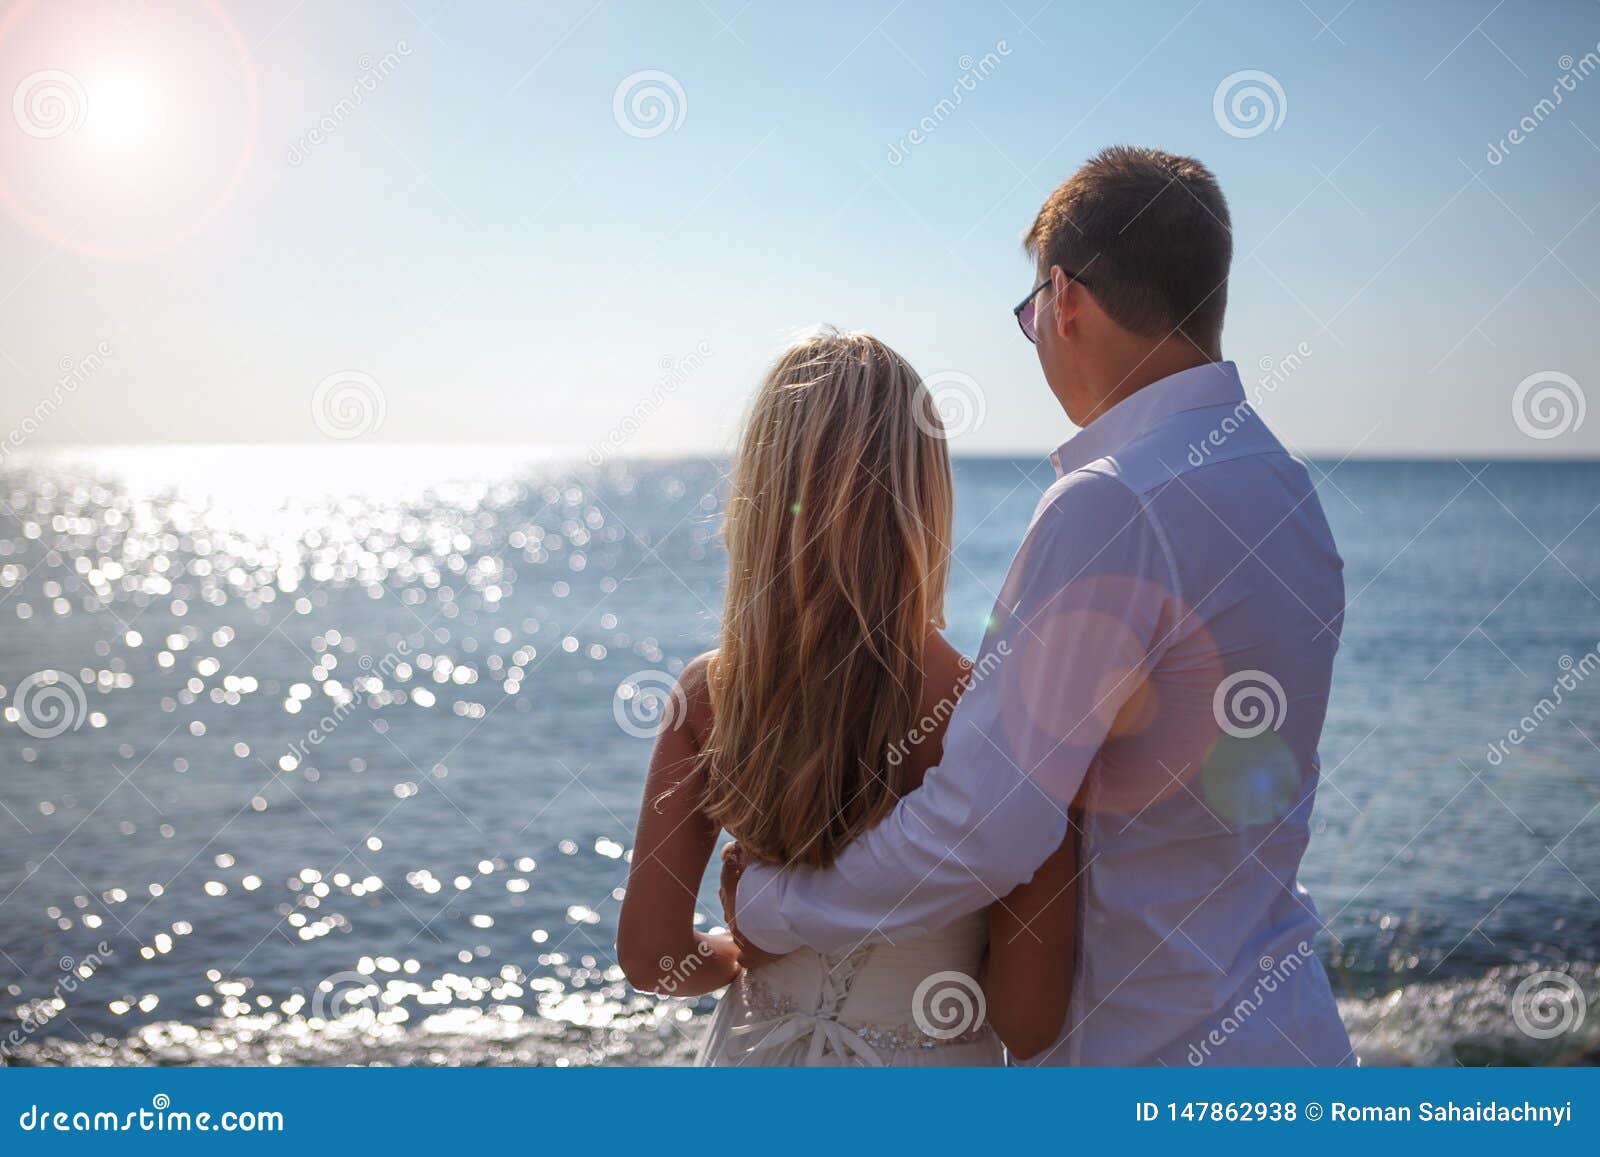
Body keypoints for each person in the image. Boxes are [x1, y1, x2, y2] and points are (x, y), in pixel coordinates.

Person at [725, 146, 1354, 1067]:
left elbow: (985, 822)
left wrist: (777, 905)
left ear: (1065, 298)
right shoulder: (1286, 487)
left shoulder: (1111, 499)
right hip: (1289, 1031)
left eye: (1030, 313)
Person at [617, 329, 1076, 1065]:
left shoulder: (710, 694)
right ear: (925, 496)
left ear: (762, 494)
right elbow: (1029, 1019)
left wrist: (746, 954)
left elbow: (650, 956)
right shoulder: (990, 709)